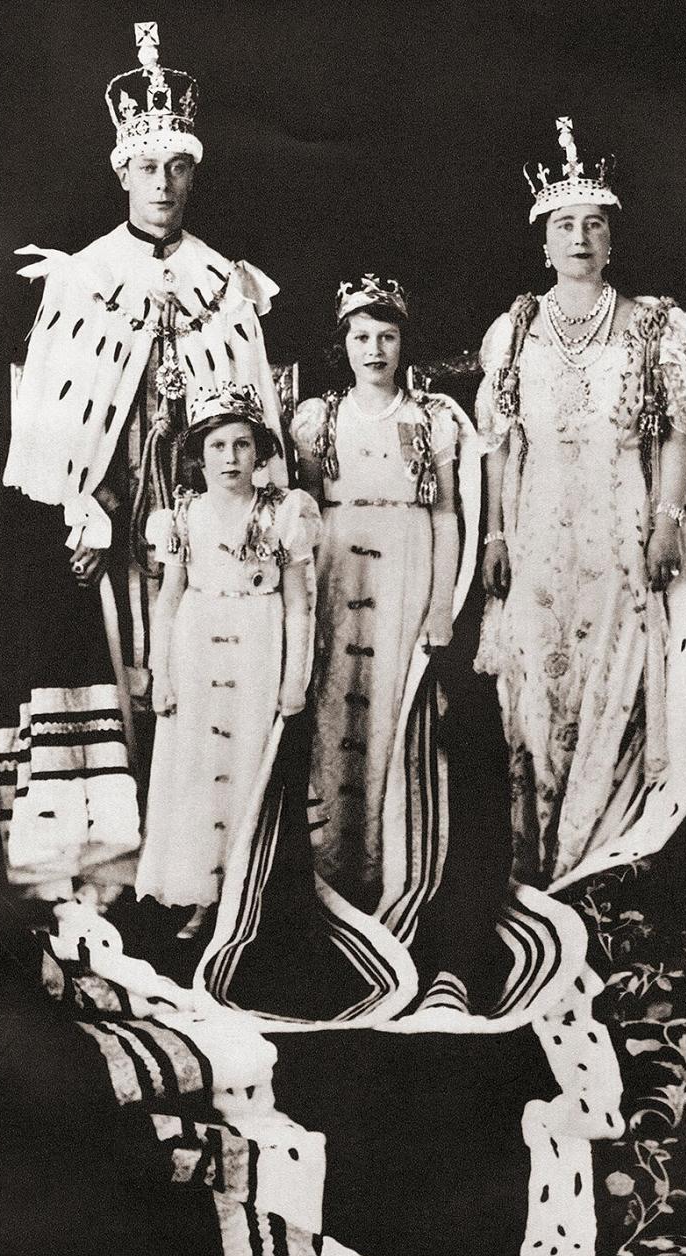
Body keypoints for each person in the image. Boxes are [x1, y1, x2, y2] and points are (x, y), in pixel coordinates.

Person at [0, 22, 285, 900]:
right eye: (148, 169)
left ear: (195, 173)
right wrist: (80, 509)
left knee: (198, 678)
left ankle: (193, 869)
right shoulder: (79, 280)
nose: (163, 184)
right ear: (122, 172)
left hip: (203, 525)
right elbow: (49, 428)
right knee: (118, 674)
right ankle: (111, 871)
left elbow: (256, 422)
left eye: (179, 168)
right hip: (110, 518)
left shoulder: (223, 283)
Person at [476, 117, 686, 890]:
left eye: (594, 224)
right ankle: (539, 862)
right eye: (564, 225)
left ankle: (599, 862)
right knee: (537, 686)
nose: (580, 237)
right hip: (538, 529)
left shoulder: (656, 325)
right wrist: (494, 536)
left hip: (623, 527)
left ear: (612, 242)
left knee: (616, 682)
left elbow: (682, 434)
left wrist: (669, 521)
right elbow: (500, 442)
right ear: (544, 242)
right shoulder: (515, 328)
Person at [291, 275, 480, 931]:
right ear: (343, 343)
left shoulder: (432, 420)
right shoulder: (320, 418)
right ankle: (329, 866)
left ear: (405, 343)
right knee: (335, 713)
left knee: (395, 719)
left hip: (404, 575)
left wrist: (439, 607)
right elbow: (305, 514)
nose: (374, 350)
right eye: (361, 336)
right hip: (339, 578)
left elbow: (448, 515)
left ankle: (387, 868)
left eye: (387, 337)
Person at [136, 384, 320, 937]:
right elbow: (167, 599)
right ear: (200, 454)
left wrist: (296, 680)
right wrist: (159, 674)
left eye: (243, 445)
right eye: (218, 447)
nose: (231, 458)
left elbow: (298, 605)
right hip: (196, 646)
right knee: (195, 769)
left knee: (249, 767)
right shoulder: (182, 516)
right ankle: (200, 895)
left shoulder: (284, 512)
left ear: (260, 453)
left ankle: (248, 894)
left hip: (257, 646)